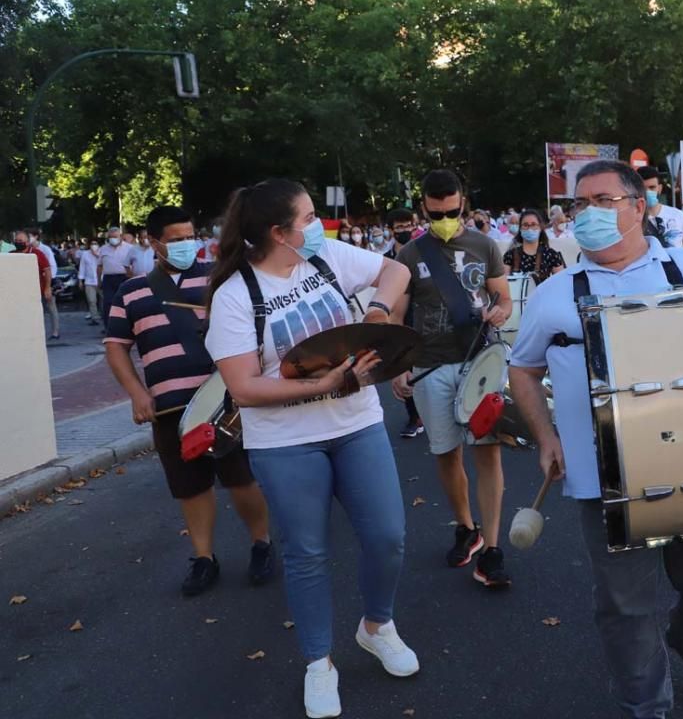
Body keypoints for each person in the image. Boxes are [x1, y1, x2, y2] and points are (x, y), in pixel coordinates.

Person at [509, 159, 683, 717]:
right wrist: (546, 438)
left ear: (638, 207)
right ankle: (648, 703)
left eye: (602, 201)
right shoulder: (554, 294)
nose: (586, 214)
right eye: (579, 205)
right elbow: (521, 369)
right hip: (604, 478)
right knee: (624, 605)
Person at [206, 179, 417, 718]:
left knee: (388, 537)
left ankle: (377, 626)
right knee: (307, 555)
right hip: (285, 442)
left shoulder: (325, 260)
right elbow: (245, 389)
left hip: (357, 424)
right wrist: (320, 387)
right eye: (307, 218)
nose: (318, 224)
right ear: (279, 233)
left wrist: (375, 311)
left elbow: (396, 270)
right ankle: (318, 664)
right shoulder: (235, 296)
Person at [104, 206, 274, 598]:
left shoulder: (222, 278)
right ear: (154, 242)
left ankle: (262, 544)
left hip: (227, 402)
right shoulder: (130, 291)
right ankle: (203, 558)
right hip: (170, 409)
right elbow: (116, 348)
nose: (186, 244)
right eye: (177, 238)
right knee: (190, 488)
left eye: (190, 236)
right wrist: (137, 394)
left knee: (242, 479)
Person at [390, 170, 514, 588]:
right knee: (446, 453)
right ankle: (467, 528)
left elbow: (504, 298)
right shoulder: (410, 254)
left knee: (488, 451)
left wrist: (499, 311)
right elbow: (396, 314)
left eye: (452, 209)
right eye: (436, 211)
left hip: (479, 361)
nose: (445, 217)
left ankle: (493, 548)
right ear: (423, 206)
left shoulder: (485, 244)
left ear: (463, 201)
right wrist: (399, 363)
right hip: (430, 365)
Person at [383, 208, 425, 439]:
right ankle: (414, 416)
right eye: (399, 227)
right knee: (404, 365)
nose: (405, 230)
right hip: (396, 316)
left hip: (420, 315)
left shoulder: (421, 254)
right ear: (391, 230)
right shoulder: (383, 260)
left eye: (408, 225)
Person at [637, 166, 683, 253]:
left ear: (659, 188)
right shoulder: (631, 219)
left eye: (652, 187)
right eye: (643, 188)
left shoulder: (677, 215)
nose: (647, 192)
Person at [503, 208, 566, 283]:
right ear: (520, 228)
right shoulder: (510, 255)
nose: (529, 228)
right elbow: (503, 283)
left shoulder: (551, 255)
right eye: (525, 225)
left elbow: (561, 283)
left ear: (540, 228)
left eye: (533, 225)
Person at [13, 230, 54, 337]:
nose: (18, 242)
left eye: (20, 240)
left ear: (27, 242)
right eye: (16, 240)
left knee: (36, 318)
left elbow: (47, 270)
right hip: (18, 294)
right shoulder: (12, 255)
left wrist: (47, 287)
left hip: (36, 292)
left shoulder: (37, 253)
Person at [98, 226, 135, 330]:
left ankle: (128, 327)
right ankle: (109, 328)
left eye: (115, 236)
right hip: (109, 279)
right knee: (108, 303)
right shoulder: (103, 249)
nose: (113, 239)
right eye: (111, 237)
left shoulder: (129, 248)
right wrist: (98, 280)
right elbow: (99, 265)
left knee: (127, 303)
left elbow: (134, 264)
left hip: (124, 277)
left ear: (120, 236)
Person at [27, 228, 61, 339]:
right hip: (33, 282)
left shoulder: (45, 249)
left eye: (29, 236)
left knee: (51, 307)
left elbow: (52, 266)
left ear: (36, 236)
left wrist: (50, 282)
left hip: (46, 281)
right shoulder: (28, 250)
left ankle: (55, 332)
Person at [77, 238, 102, 325]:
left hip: (101, 280)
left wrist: (97, 255)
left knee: (103, 300)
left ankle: (104, 317)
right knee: (91, 300)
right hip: (89, 281)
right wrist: (80, 280)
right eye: (92, 244)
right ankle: (94, 318)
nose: (93, 246)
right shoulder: (85, 254)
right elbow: (82, 267)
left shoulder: (103, 253)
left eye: (95, 244)